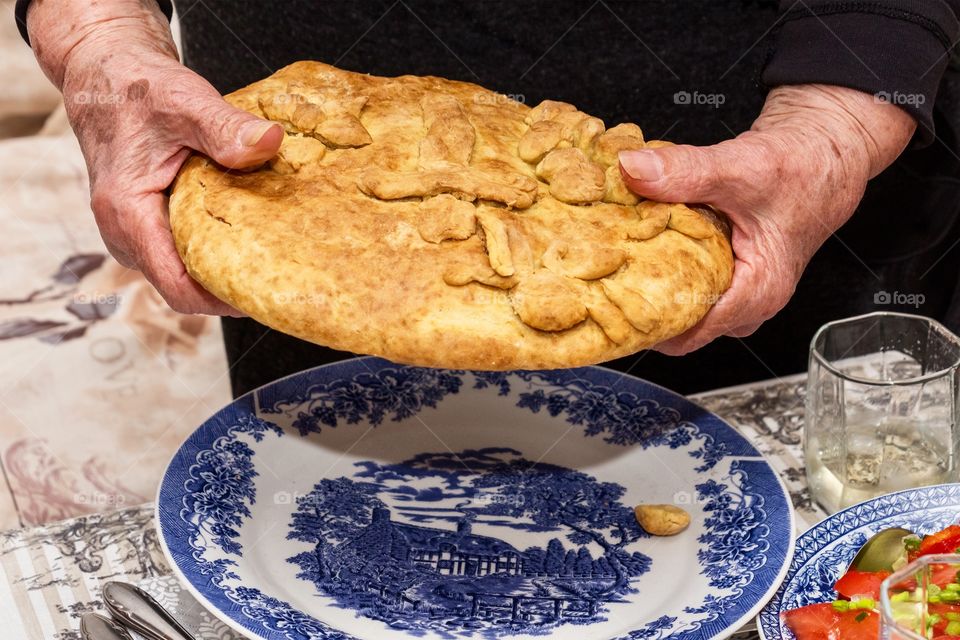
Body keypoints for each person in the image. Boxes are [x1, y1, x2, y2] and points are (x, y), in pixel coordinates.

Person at [16, 0, 960, 396]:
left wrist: (831, 133)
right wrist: (100, 37)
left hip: (759, 147)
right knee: (338, 526)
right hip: (292, 184)